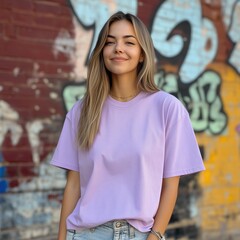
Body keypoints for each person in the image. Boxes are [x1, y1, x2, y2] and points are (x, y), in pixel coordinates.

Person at [50, 11, 205, 240]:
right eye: (110, 42)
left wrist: (155, 236)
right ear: (102, 51)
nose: (118, 48)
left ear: (142, 54)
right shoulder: (83, 111)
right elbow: (73, 186)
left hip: (140, 234)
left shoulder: (167, 109)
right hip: (84, 234)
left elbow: (171, 186)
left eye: (129, 42)